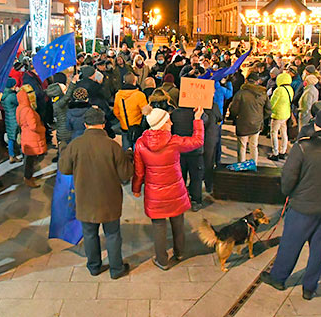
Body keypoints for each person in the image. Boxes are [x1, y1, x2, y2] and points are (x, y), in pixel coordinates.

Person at [261, 106, 321, 300]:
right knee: (319, 248)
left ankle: (278, 278)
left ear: (317, 123)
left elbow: (288, 177)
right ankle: (309, 288)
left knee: (290, 244)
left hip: (302, 206)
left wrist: (288, 193)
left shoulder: (304, 147)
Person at [59, 107, 134, 279]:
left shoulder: (75, 145)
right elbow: (125, 174)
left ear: (85, 124)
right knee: (113, 234)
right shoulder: (112, 146)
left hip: (85, 198)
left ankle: (94, 266)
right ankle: (116, 269)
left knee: (90, 233)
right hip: (110, 199)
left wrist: (63, 150)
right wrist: (128, 157)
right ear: (103, 123)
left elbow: (64, 168)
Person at [133, 107, 205, 270]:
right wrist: (197, 119)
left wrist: (136, 189)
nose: (171, 122)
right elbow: (197, 141)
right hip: (175, 191)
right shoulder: (175, 141)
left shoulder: (140, 144)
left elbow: (139, 171)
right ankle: (179, 253)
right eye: (168, 120)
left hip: (154, 193)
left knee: (158, 226)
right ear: (162, 124)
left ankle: (162, 260)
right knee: (178, 222)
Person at [229, 72, 272, 163]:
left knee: (242, 146)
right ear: (257, 82)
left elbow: (233, 110)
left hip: (242, 123)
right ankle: (254, 164)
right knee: (254, 145)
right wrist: (261, 117)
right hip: (256, 123)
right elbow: (268, 110)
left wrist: (235, 117)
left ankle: (241, 164)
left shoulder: (240, 93)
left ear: (246, 81)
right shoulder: (262, 93)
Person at [171, 106, 206, 211]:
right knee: (196, 178)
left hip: (179, 150)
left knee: (180, 177)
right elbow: (207, 122)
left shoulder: (174, 113)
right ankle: (196, 201)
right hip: (195, 151)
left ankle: (180, 200)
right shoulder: (199, 113)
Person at [16, 85, 47, 188]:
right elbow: (33, 126)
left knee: (28, 159)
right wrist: (42, 129)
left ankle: (28, 177)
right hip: (32, 137)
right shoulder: (28, 110)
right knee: (30, 160)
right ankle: (28, 178)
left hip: (26, 135)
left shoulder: (20, 107)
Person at [113, 73, 148, 150]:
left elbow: (116, 112)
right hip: (137, 127)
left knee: (126, 150)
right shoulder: (140, 95)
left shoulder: (118, 95)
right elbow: (146, 112)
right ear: (134, 81)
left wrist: (122, 119)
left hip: (124, 127)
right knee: (137, 150)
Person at [269, 72, 294, 161]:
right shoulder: (290, 88)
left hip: (277, 114)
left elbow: (272, 102)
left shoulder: (279, 90)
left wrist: (268, 111)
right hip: (286, 113)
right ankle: (283, 151)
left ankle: (275, 152)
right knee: (284, 133)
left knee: (274, 133)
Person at [2, 78, 21, 163]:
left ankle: (12, 154)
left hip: (8, 118)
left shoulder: (3, 95)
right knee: (18, 136)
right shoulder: (11, 96)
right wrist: (18, 92)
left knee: (11, 138)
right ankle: (17, 153)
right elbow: (20, 101)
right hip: (15, 118)